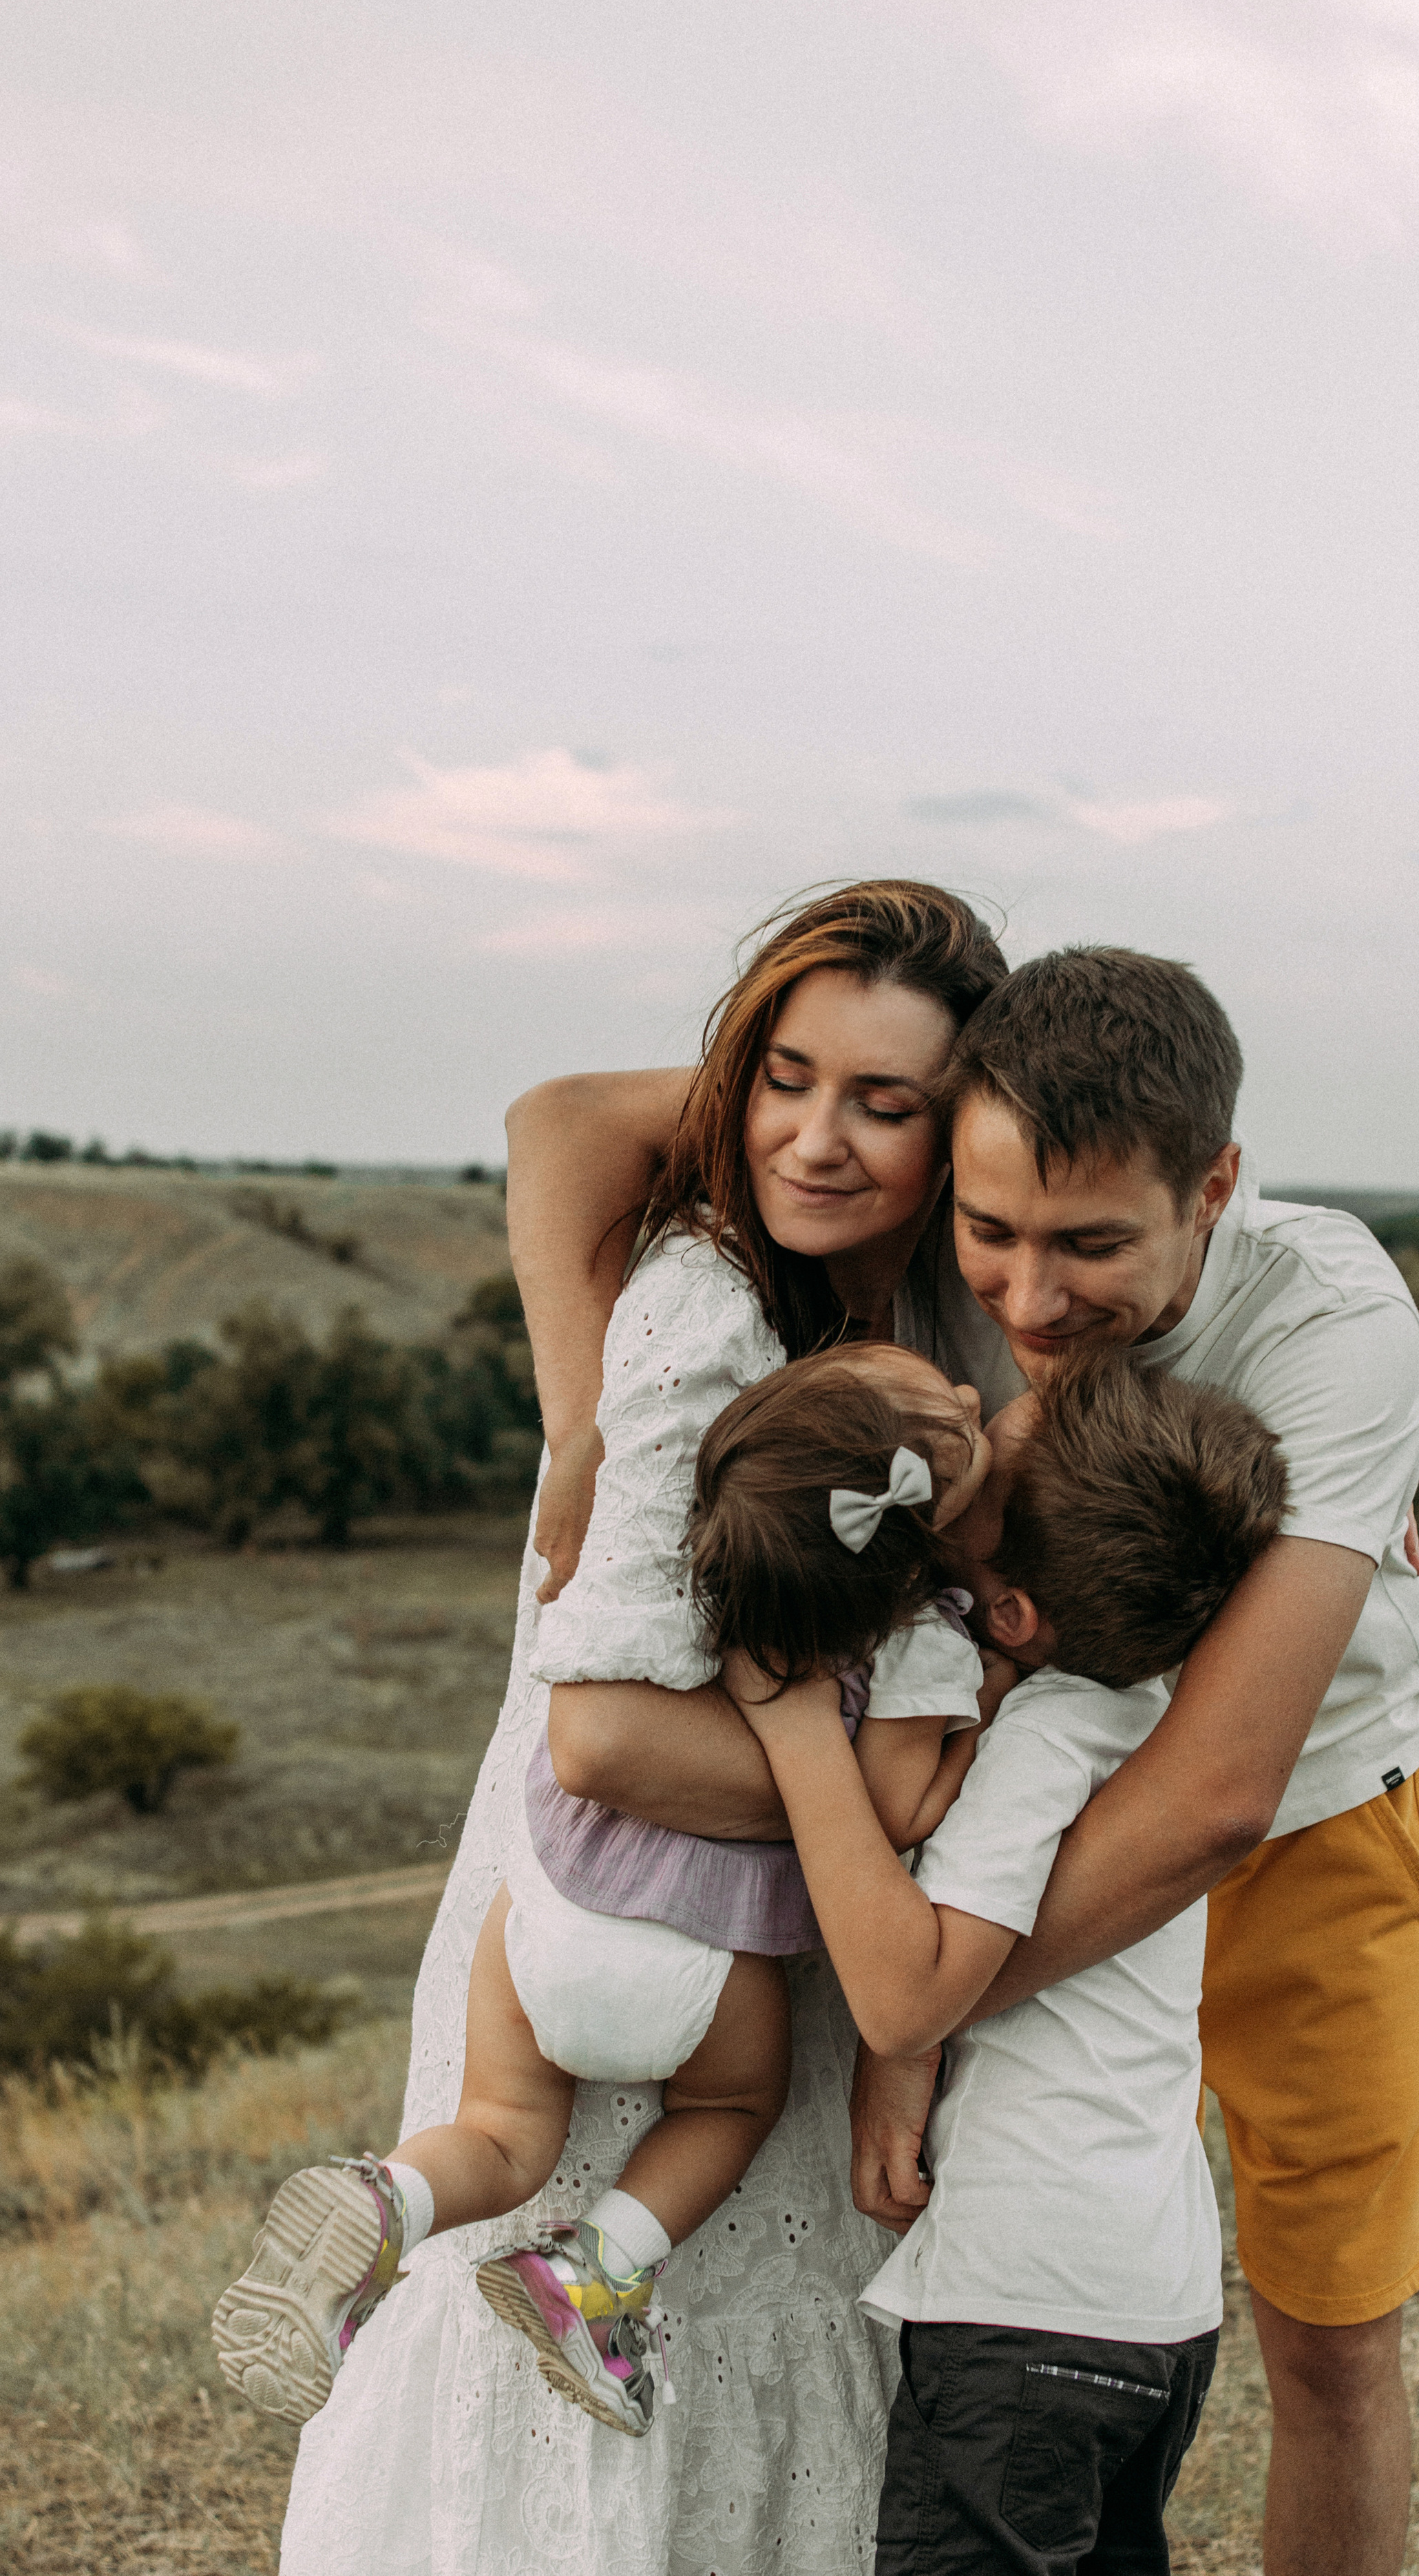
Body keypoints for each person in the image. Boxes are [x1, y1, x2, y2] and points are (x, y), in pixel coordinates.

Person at [518, 940, 1419, 2576]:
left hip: (1305, 1825)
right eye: (990, 1238)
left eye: (1094, 1247)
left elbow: (1211, 1792)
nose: (1026, 1303)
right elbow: (565, 1128)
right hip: (997, 1824)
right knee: (996, 2320)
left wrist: (927, 2006)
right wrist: (579, 1427)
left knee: (1324, 2334)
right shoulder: (955, 1149)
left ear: (1213, 1184)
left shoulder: (1333, 1325)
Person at [276, 878, 1013, 2576]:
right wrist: (579, 1416)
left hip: (734, 1938)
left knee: (718, 2327)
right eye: (785, 1077)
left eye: (882, 1103)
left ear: (960, 1123)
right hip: (616, 1883)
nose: (813, 1138)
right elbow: (604, 1740)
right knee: (552, 2330)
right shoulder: (705, 1303)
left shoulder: (909, 1328)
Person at [216, 1342, 993, 2440]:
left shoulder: (716, 1559)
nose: (972, 1400)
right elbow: (897, 1809)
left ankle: (389, 2199)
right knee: (730, 2107)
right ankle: (595, 2267)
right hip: (703, 1961)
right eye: (952, 1417)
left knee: (498, 2133)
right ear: (916, 1532)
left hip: (551, 1902)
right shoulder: (919, 1639)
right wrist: (974, 1744)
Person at [732, 1349, 1288, 2575]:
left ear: (1016, 1614)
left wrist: (792, 1730)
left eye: (973, 1521)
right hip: (1159, 2303)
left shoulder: (1045, 1739)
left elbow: (901, 1990)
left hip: (1023, 2304)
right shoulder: (1155, 1716)